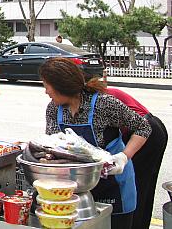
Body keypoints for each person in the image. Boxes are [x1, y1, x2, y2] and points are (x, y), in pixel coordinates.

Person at [40, 58, 151, 229]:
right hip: (77, 190)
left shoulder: (104, 104)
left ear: (62, 85)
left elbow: (143, 127)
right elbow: (54, 144)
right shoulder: (54, 109)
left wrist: (123, 157)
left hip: (114, 186)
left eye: (47, 85)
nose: (46, 91)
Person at [103, 87, 168, 229]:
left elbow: (141, 127)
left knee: (138, 189)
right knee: (143, 190)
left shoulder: (100, 99)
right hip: (153, 128)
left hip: (146, 134)